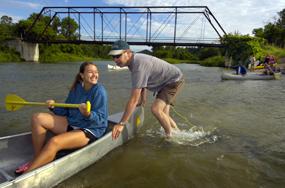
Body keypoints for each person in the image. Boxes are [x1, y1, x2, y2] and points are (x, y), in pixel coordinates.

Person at [15, 62, 108, 174]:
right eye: (90, 72)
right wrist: (53, 107)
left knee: (54, 142)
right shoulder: (76, 88)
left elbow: (102, 120)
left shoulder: (99, 91)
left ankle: (26, 175)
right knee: (37, 118)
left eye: (96, 72)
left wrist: (88, 114)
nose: (94, 75)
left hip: (91, 128)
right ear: (82, 75)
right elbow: (66, 110)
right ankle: (37, 159)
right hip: (73, 123)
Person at [109, 40, 184, 139]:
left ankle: (170, 138)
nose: (115, 60)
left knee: (156, 109)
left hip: (173, 81)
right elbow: (143, 82)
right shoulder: (134, 62)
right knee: (164, 114)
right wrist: (143, 99)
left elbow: (133, 100)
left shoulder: (138, 64)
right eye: (113, 57)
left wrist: (121, 124)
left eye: (118, 56)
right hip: (168, 81)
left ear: (127, 52)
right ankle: (178, 133)